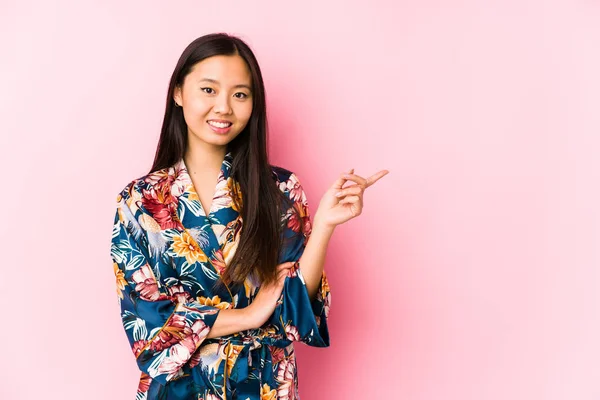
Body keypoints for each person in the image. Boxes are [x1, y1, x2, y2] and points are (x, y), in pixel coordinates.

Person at [110, 32, 388, 400]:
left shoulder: (280, 190)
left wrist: (323, 226)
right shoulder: (140, 201)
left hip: (264, 386)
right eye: (209, 90)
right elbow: (149, 323)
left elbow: (294, 307)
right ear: (178, 92)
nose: (224, 107)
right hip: (180, 390)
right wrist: (248, 316)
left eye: (240, 94)